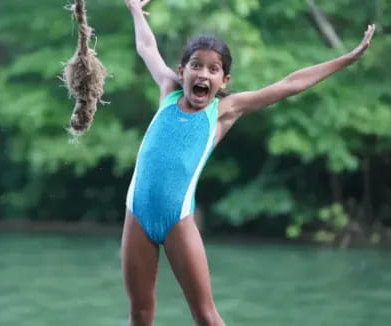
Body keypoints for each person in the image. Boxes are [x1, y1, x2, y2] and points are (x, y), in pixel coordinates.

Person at [122, 1, 375, 325]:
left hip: (177, 222)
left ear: (224, 81)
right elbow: (146, 46)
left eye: (213, 70)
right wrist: (134, 10)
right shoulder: (169, 90)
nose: (203, 74)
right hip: (137, 215)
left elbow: (289, 84)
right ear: (182, 70)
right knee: (140, 314)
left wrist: (346, 59)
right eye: (196, 66)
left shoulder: (223, 111)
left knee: (207, 317)